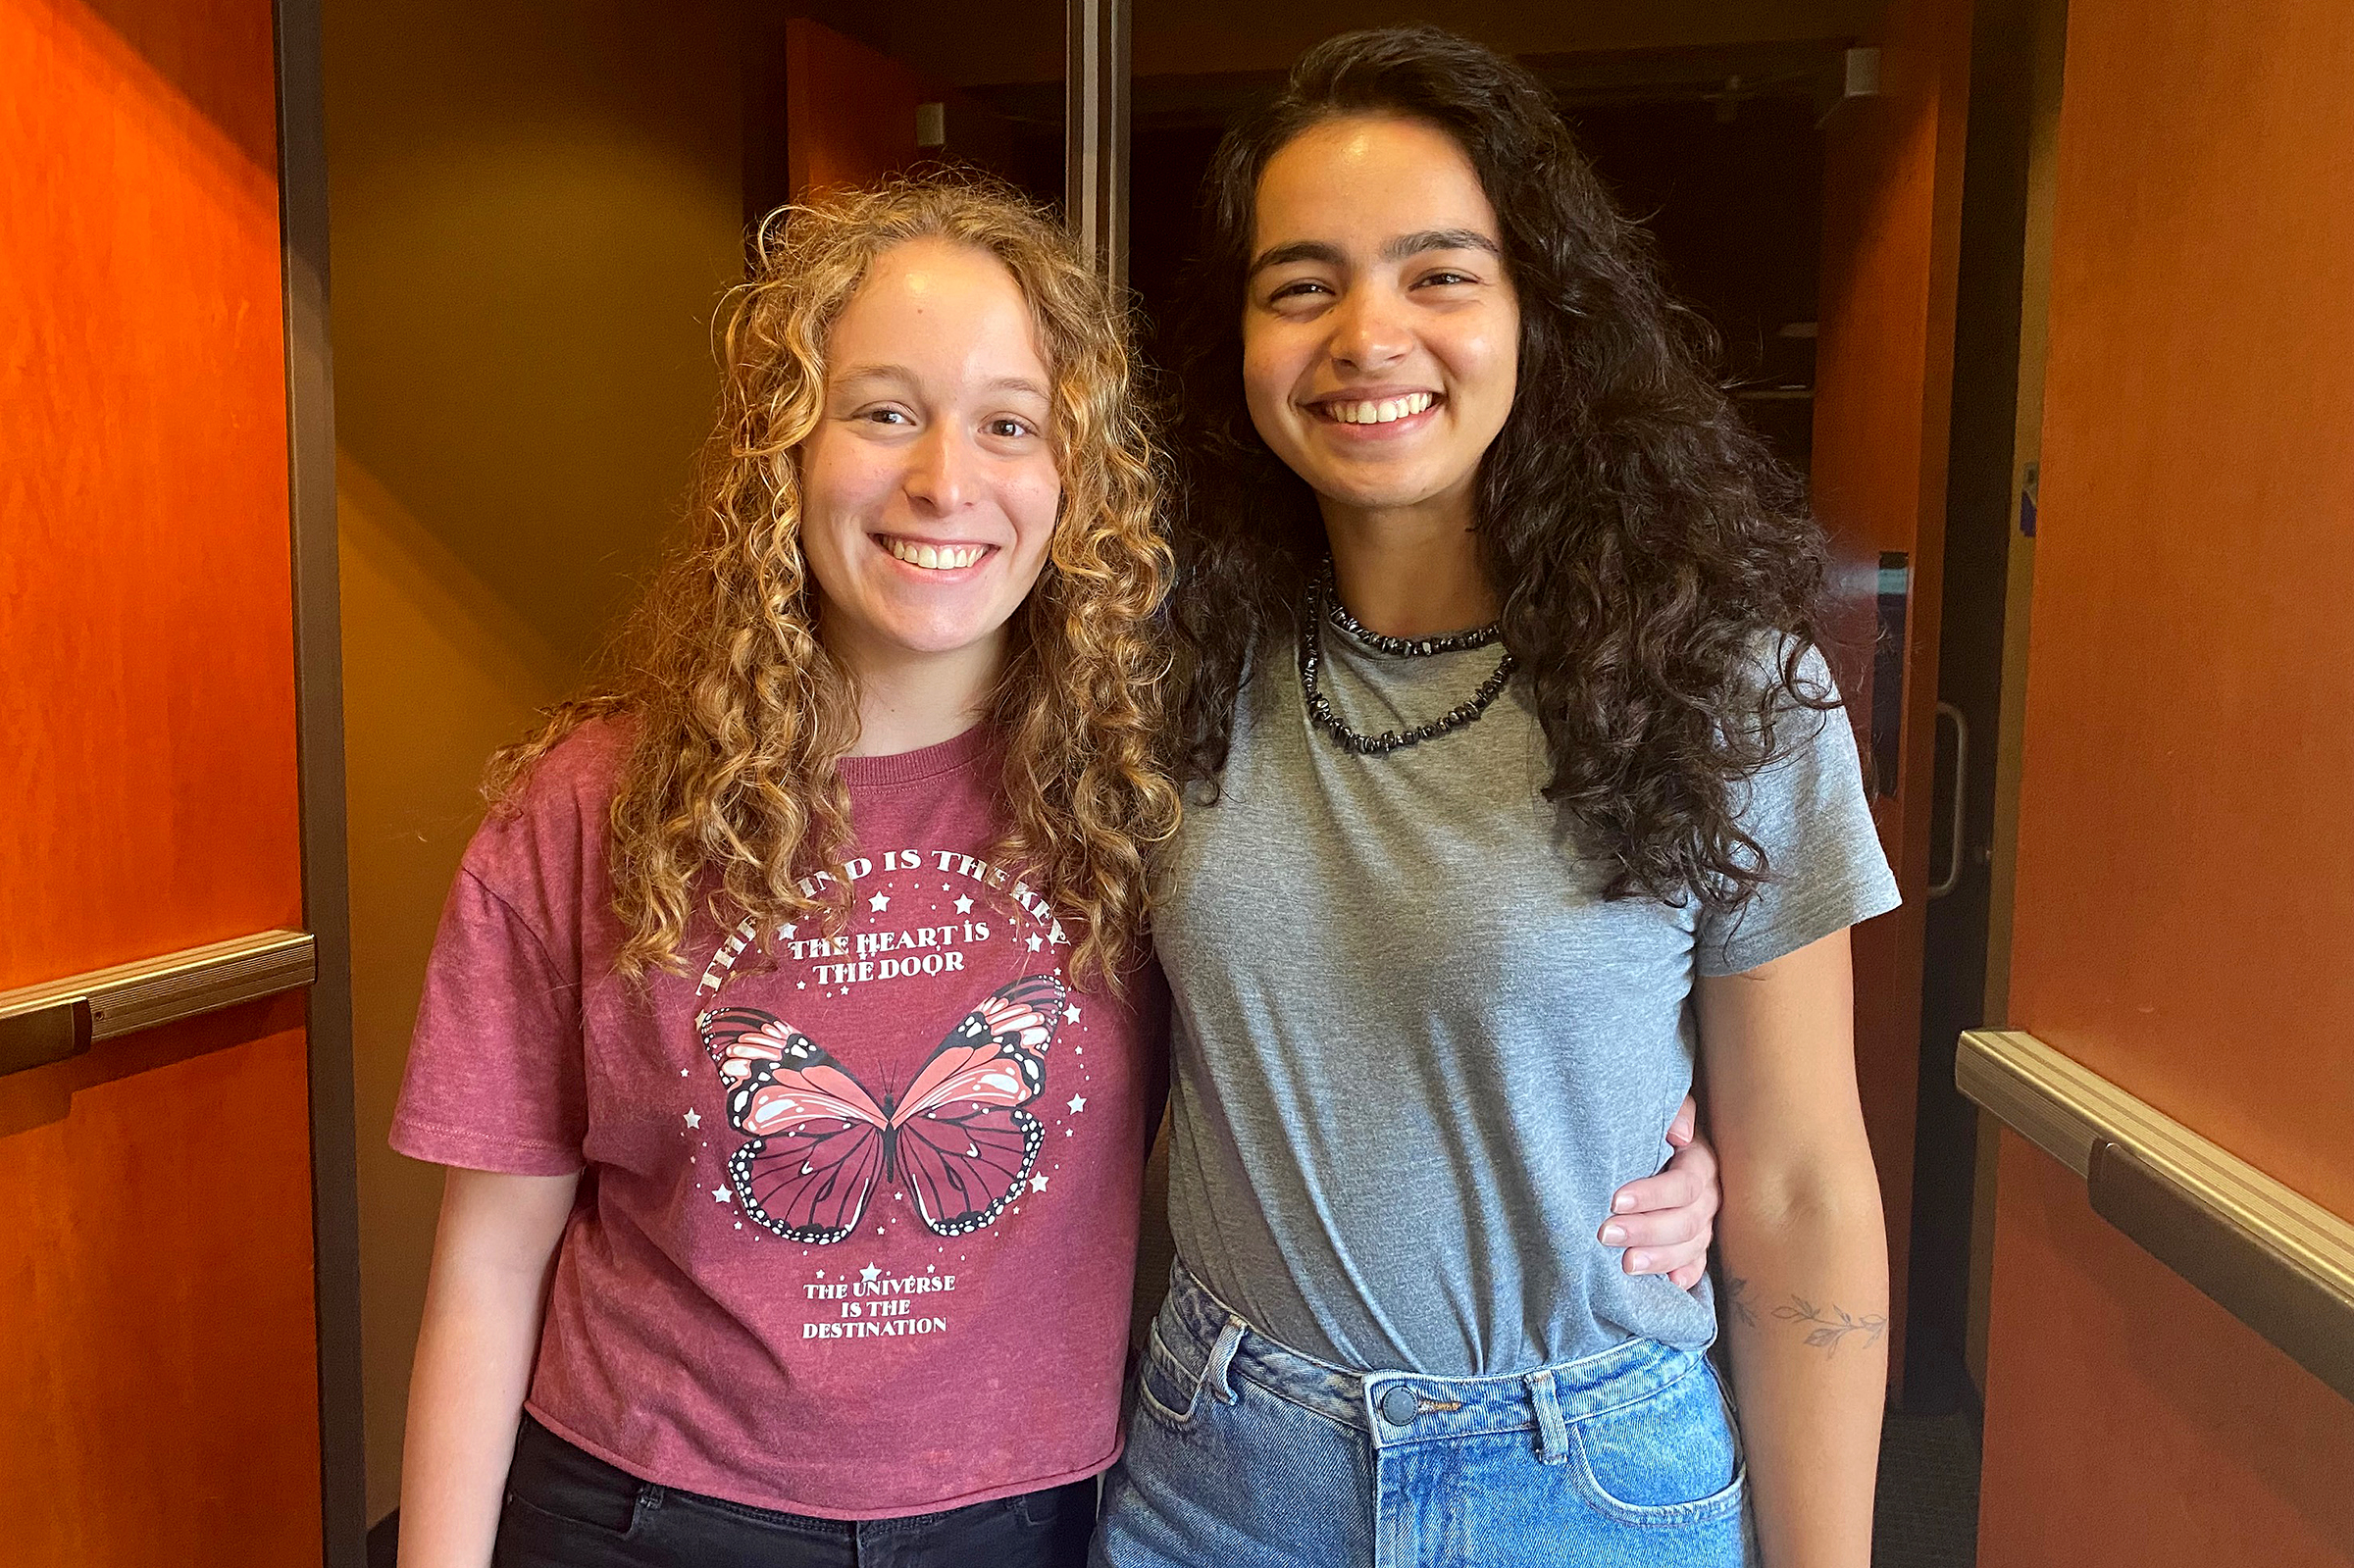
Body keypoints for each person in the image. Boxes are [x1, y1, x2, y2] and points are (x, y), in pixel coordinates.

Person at [387, 174, 1718, 1568]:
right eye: (882, 410)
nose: (943, 482)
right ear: (781, 450)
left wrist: (1665, 1156)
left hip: (1024, 1523)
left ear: (1077, 480)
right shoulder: (593, 807)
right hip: (638, 1513)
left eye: (1009, 424)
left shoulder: (1160, 781)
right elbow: (487, 1263)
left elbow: (1387, 1012)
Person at [1098, 27, 1900, 1568]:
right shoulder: (1167, 661)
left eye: (1440, 273)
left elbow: (1801, 1178)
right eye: (1302, 284)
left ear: (1542, 310)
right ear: (1240, 341)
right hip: (1222, 1482)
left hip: (1591, 1480)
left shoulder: (1722, 682)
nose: (1367, 335)